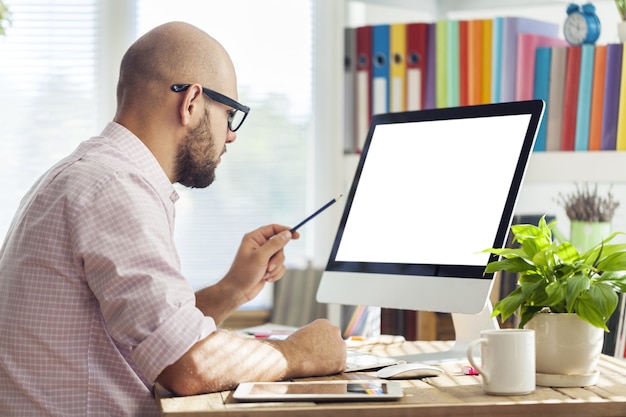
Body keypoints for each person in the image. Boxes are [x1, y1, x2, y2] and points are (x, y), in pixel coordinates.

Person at [0, 21, 346, 417]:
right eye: (229, 115)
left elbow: (153, 334)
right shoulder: (115, 187)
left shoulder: (90, 174)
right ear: (192, 102)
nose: (230, 136)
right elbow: (188, 365)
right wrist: (301, 352)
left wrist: (233, 288)